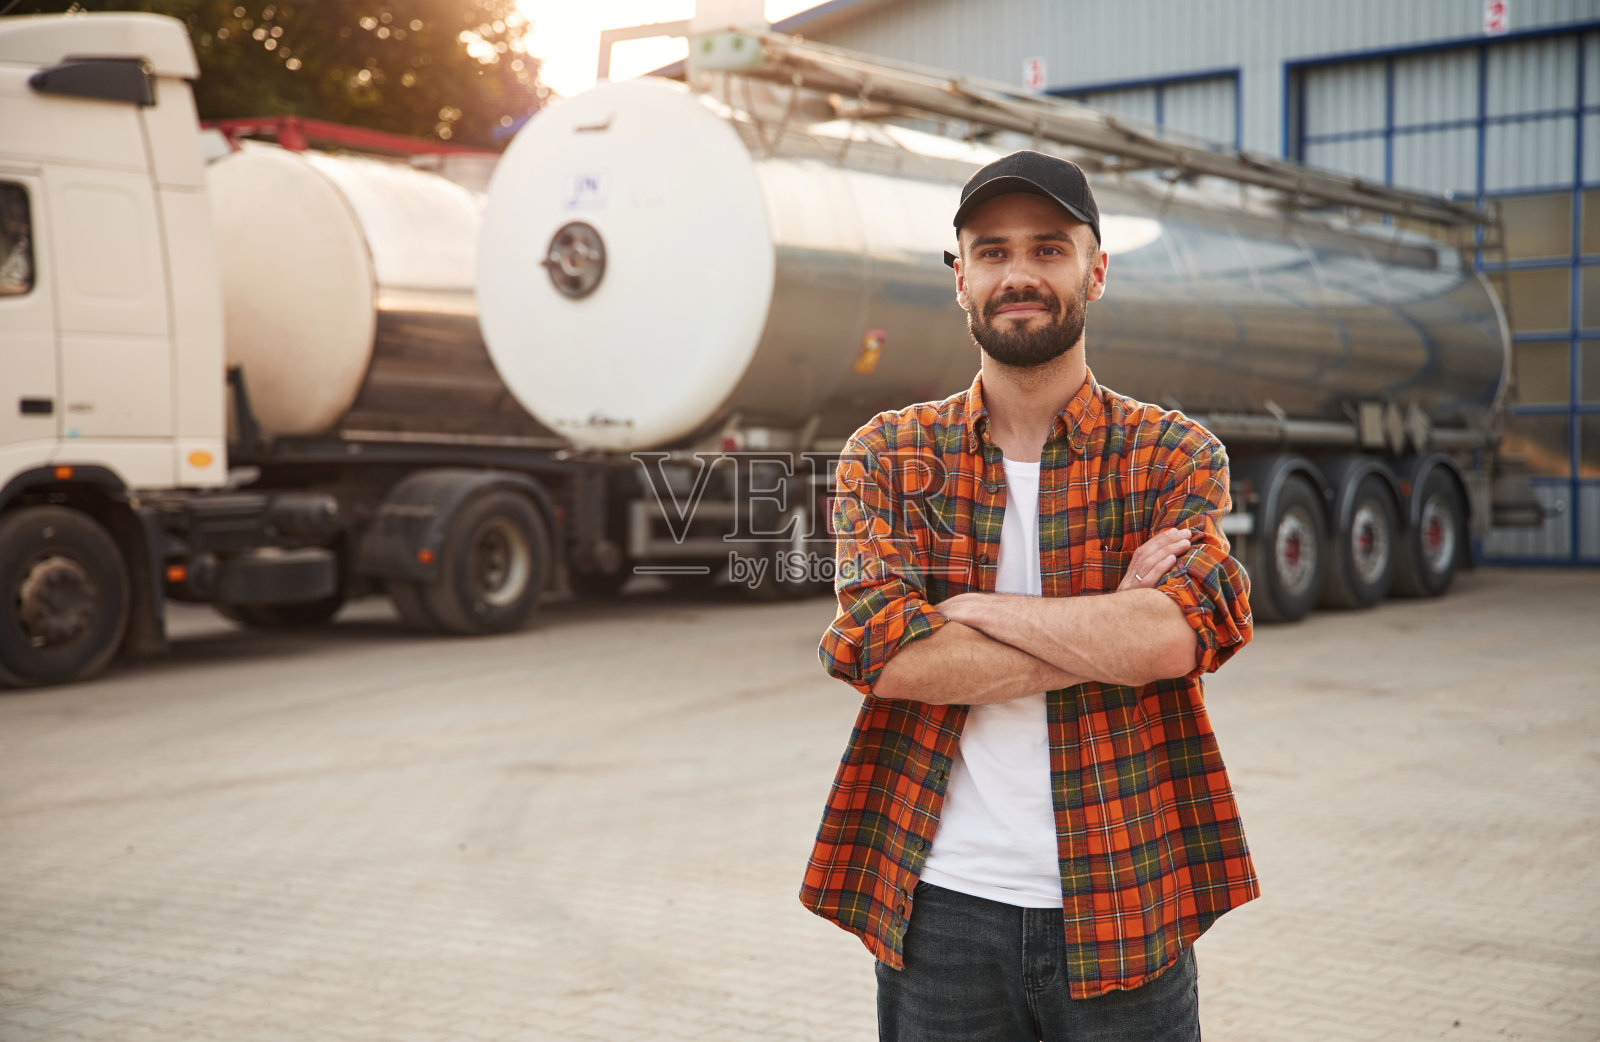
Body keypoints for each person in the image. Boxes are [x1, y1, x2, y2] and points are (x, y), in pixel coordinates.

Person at [801, 150, 1258, 1042]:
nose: (1020, 274)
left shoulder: (1172, 454)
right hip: (941, 908)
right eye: (992, 251)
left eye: (1049, 249)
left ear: (1096, 270)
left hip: (1129, 889)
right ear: (960, 278)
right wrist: (1112, 626)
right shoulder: (887, 455)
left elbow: (1176, 641)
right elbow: (890, 659)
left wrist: (974, 608)